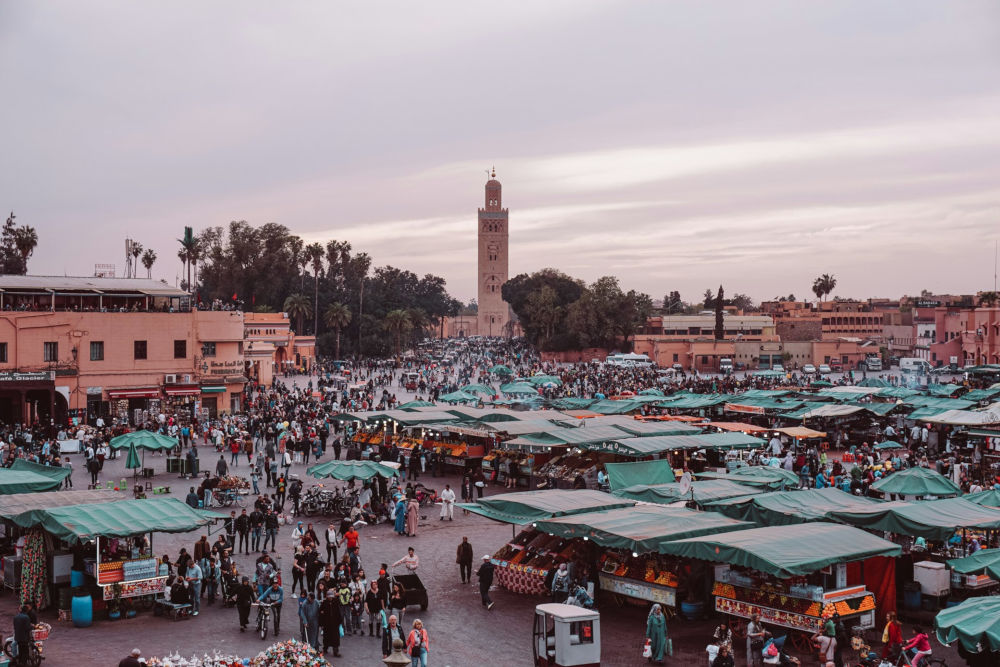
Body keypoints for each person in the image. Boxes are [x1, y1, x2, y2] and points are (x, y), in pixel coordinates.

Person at [319, 590, 343, 657]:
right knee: (326, 637)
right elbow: (320, 612)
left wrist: (340, 621)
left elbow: (338, 612)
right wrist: (321, 623)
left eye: (331, 596)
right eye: (329, 597)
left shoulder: (335, 602)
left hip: (335, 623)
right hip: (327, 624)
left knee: (335, 638)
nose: (330, 598)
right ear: (327, 596)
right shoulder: (324, 603)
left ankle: (336, 651)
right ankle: (325, 649)